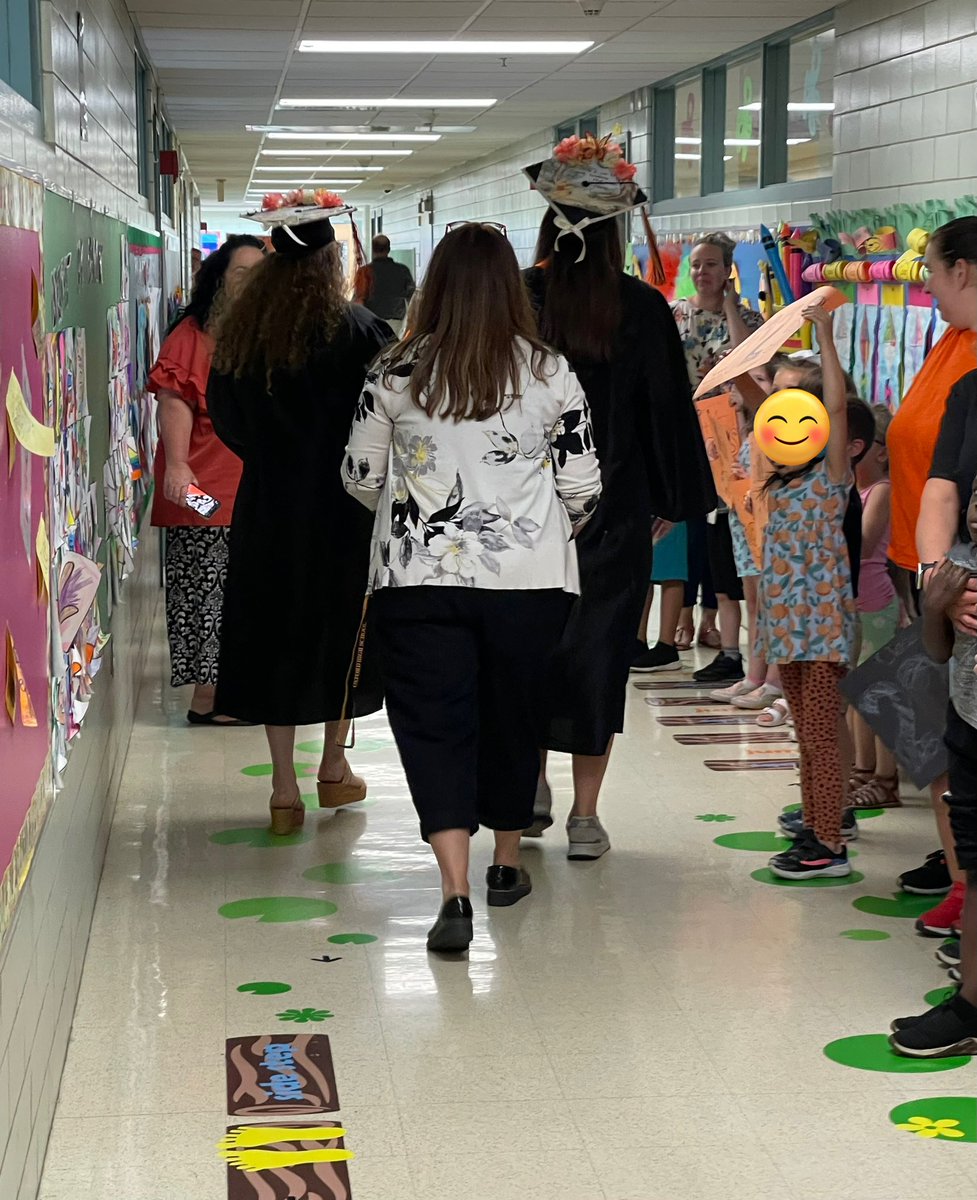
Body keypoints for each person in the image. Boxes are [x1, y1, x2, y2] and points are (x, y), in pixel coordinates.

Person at [343, 223, 601, 952]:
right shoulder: (550, 371)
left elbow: (359, 477)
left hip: (415, 580)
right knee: (513, 716)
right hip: (529, 582)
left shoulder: (394, 371)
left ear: (436, 286)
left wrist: (408, 511)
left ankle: (453, 890)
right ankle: (506, 865)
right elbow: (581, 483)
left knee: (434, 725)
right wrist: (541, 532)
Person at [522, 135, 716, 857]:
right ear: (611, 232)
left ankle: (531, 786)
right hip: (613, 512)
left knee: (531, 649)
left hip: (521, 513)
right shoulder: (638, 305)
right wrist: (670, 499)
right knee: (598, 655)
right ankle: (585, 816)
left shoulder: (517, 296)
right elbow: (665, 409)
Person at [208, 197, 393, 835]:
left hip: (269, 509)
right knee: (339, 631)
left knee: (272, 635)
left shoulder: (243, 337)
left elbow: (227, 419)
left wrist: (271, 458)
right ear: (329, 262)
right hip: (348, 510)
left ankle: (283, 788)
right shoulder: (365, 330)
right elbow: (394, 415)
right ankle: (333, 767)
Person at [148, 234, 265, 725]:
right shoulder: (192, 335)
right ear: (219, 280)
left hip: (245, 490)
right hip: (201, 489)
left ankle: (224, 693)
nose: (252, 283)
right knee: (204, 584)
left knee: (232, 588)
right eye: (242, 273)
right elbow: (173, 402)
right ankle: (208, 699)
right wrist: (177, 465)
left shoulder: (259, 333)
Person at [761, 303, 857, 880]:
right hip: (788, 631)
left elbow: (840, 406)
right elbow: (755, 399)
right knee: (806, 737)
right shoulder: (781, 477)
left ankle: (830, 842)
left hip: (822, 632)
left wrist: (823, 335)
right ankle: (818, 828)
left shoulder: (832, 476)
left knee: (821, 738)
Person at [891, 474, 977, 1057]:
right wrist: (936, 605)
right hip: (969, 725)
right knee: (975, 866)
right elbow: (938, 649)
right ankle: (972, 1003)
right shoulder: (958, 566)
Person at [908, 216, 977, 933]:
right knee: (949, 744)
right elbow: (942, 485)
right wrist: (938, 579)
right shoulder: (964, 377)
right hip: (955, 605)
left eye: (930, 270)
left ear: (961, 270)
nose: (924, 285)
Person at [671, 234, 765, 684]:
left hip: (731, 437)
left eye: (710, 265)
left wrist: (730, 306)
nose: (701, 273)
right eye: (695, 266)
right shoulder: (678, 314)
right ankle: (691, 617)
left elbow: (752, 361)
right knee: (694, 532)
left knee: (726, 534)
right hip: (689, 433)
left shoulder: (747, 316)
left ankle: (720, 625)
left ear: (727, 269)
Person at [710, 362, 783, 715]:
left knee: (771, 605)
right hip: (744, 524)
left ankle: (774, 679)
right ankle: (754, 675)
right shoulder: (748, 430)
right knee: (754, 604)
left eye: (758, 380)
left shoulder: (778, 433)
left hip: (766, 526)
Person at [847, 405, 902, 809]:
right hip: (854, 603)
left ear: (879, 451)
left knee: (878, 696)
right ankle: (861, 770)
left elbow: (862, 545)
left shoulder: (880, 491)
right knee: (854, 695)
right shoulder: (854, 489)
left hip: (875, 604)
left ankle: (886, 779)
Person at [354, 234, 415, 337]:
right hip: (396, 323)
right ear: (389, 249)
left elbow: (359, 301)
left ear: (373, 249)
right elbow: (412, 298)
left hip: (372, 322)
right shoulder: (402, 270)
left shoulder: (364, 272)